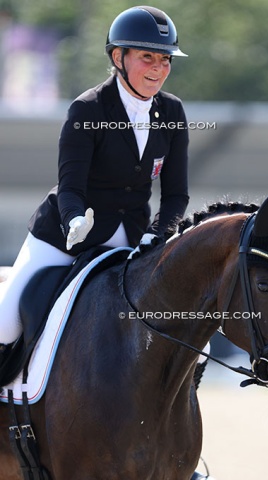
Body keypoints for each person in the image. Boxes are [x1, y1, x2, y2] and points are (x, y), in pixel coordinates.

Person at [0, 6, 190, 370]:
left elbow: (176, 193)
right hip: (62, 236)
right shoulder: (87, 109)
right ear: (119, 57)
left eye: (165, 59)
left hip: (131, 237)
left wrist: (160, 233)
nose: (158, 68)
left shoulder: (172, 112)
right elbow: (70, 186)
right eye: (147, 57)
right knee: (6, 323)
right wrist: (73, 220)